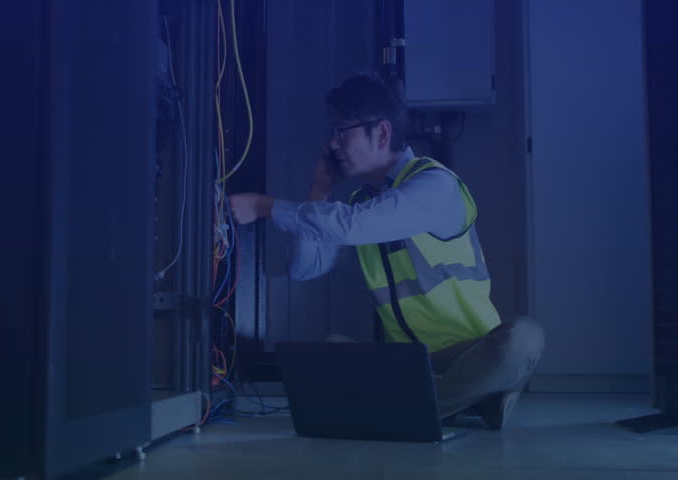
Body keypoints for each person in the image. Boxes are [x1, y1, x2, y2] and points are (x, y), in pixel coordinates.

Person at [228, 73, 545, 429]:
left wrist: (264, 206)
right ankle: (467, 399)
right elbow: (307, 268)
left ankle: (415, 409)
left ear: (380, 133)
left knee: (523, 337)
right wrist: (319, 189)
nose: (333, 145)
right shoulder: (361, 203)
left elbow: (353, 225)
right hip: (409, 363)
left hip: (470, 352)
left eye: (341, 131)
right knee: (332, 348)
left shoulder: (433, 184)